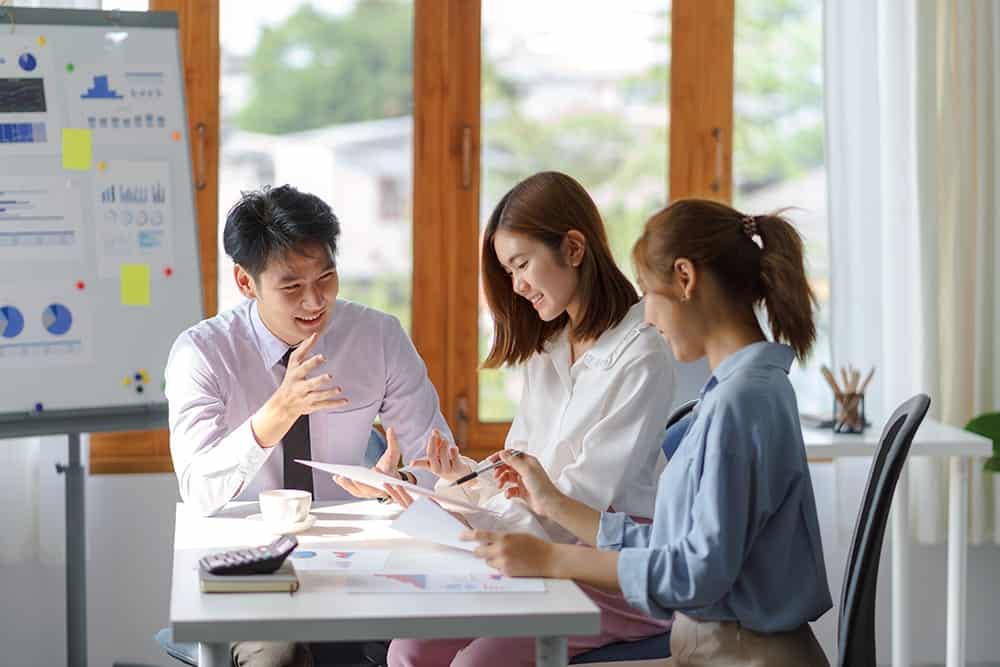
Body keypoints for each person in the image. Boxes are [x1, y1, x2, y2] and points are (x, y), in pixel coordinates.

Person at [460, 199, 834, 666]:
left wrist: (553, 560)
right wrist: (552, 502)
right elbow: (676, 547)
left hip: (742, 655)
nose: (649, 318)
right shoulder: (737, 394)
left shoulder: (743, 403)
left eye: (648, 294)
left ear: (685, 278)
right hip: (716, 648)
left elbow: (694, 574)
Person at [384, 171, 678, 666]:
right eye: (508, 272)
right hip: (542, 549)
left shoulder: (641, 353)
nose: (516, 286)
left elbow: (577, 504)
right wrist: (461, 482)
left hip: (612, 565)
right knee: (408, 649)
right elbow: (524, 479)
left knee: (478, 662)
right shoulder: (548, 349)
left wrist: (468, 522)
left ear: (573, 248)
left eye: (521, 265)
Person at [165, 184, 453, 667]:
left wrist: (394, 484)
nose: (316, 301)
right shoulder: (203, 353)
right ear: (244, 281)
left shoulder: (377, 337)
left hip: (362, 563)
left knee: (428, 644)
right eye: (292, 287)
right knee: (276, 655)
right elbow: (200, 491)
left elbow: (440, 465)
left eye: (326, 278)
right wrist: (278, 412)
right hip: (255, 571)